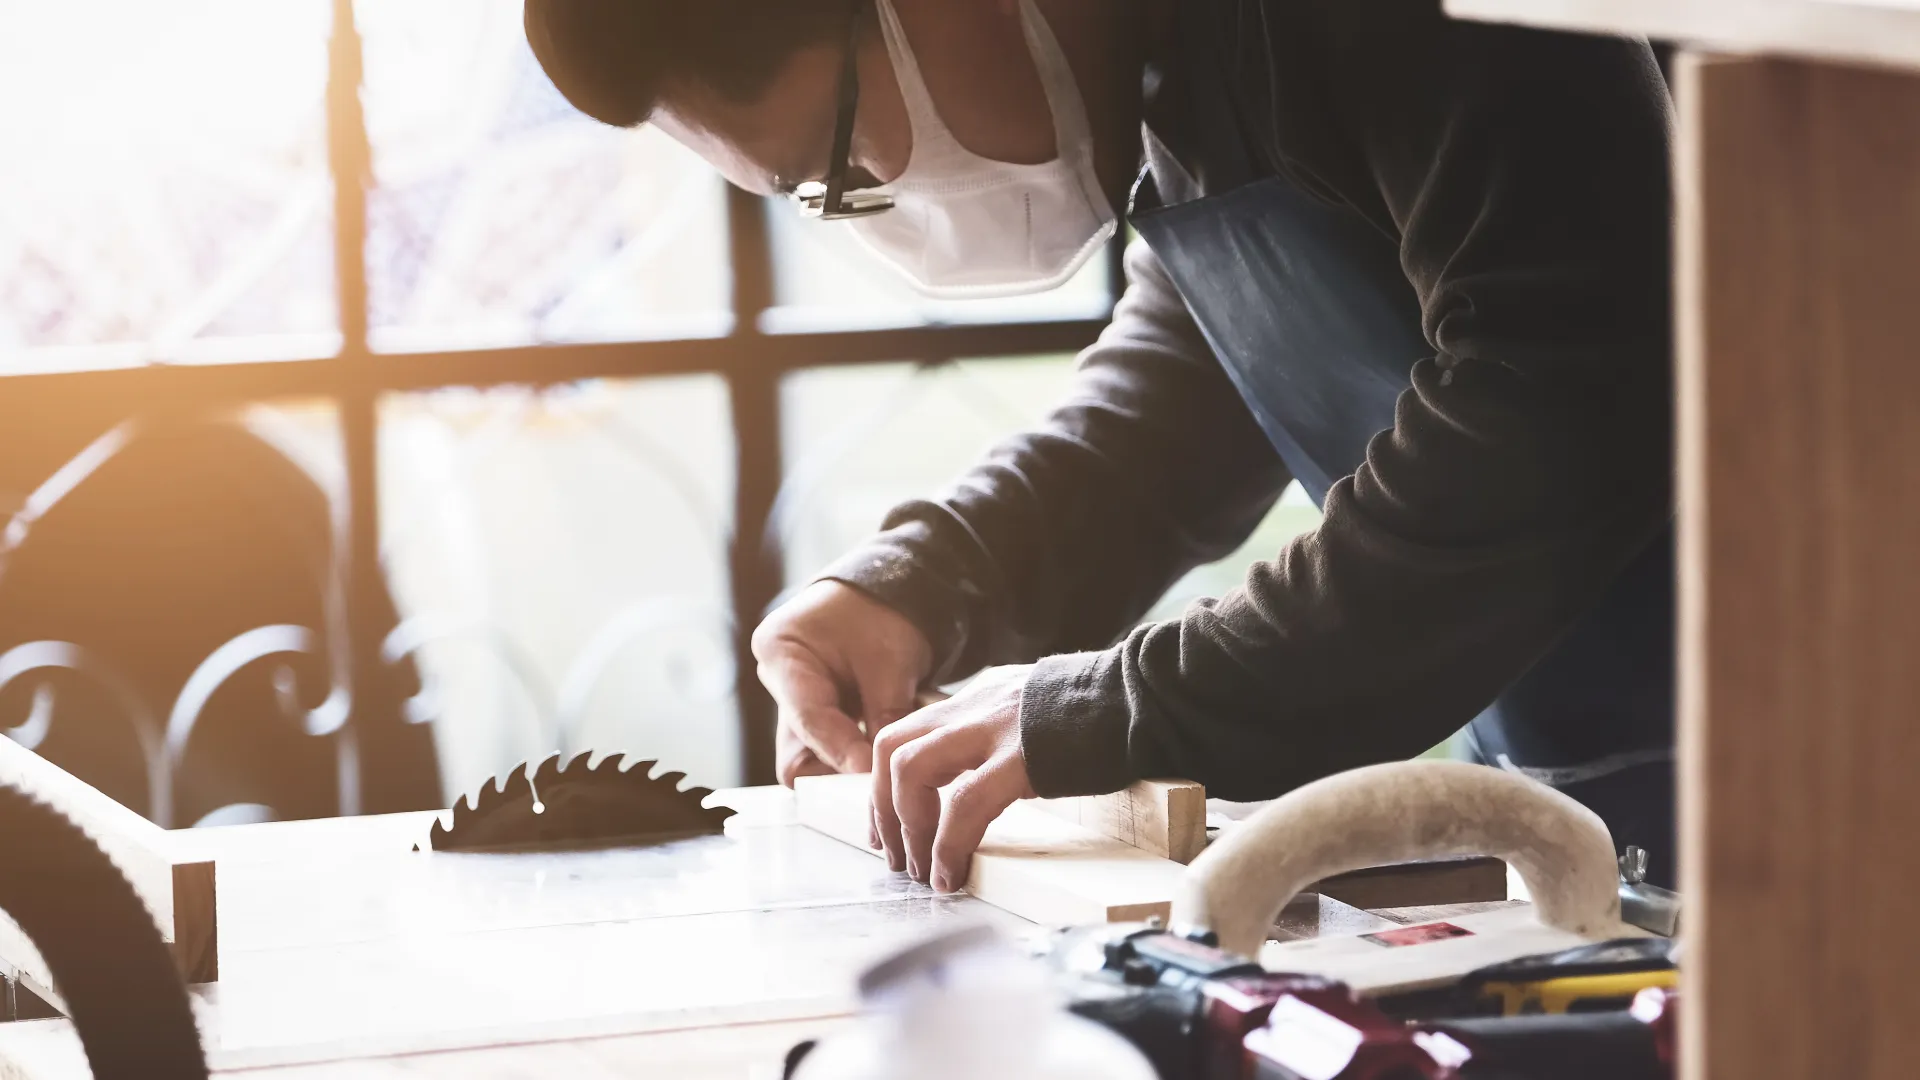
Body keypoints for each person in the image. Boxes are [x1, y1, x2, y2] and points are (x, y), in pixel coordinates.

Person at [525, 0, 1677, 890]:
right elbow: (1198, 378)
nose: (880, 197)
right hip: (1616, 795)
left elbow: (1563, 392)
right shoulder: (1172, 62)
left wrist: (1113, 711)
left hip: (1815, 723)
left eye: (836, 172)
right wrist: (926, 580)